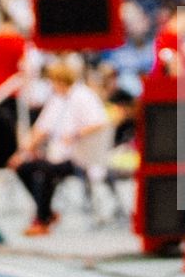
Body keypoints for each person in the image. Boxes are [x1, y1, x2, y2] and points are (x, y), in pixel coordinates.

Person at [8, 61, 111, 235]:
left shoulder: (83, 96)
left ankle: (42, 219)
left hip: (81, 156)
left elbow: (99, 123)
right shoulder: (56, 99)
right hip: (58, 155)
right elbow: (41, 129)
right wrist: (22, 153)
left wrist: (75, 134)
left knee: (46, 172)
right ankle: (46, 212)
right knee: (23, 167)